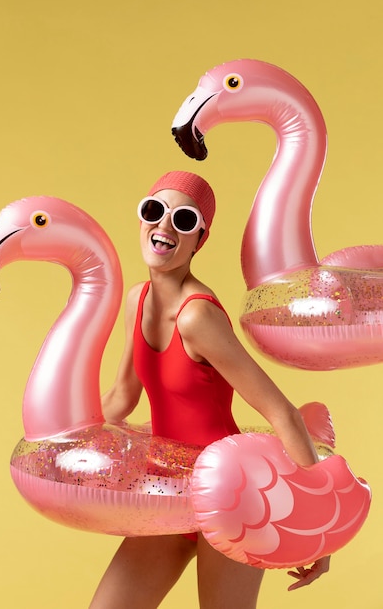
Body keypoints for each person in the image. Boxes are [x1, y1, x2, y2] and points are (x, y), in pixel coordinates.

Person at [89, 171, 330, 609]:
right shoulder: (137, 300)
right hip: (167, 493)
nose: (164, 227)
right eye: (154, 211)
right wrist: (63, 432)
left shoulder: (197, 318)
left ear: (199, 239)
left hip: (230, 495)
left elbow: (283, 413)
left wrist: (319, 525)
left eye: (183, 220)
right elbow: (123, 398)